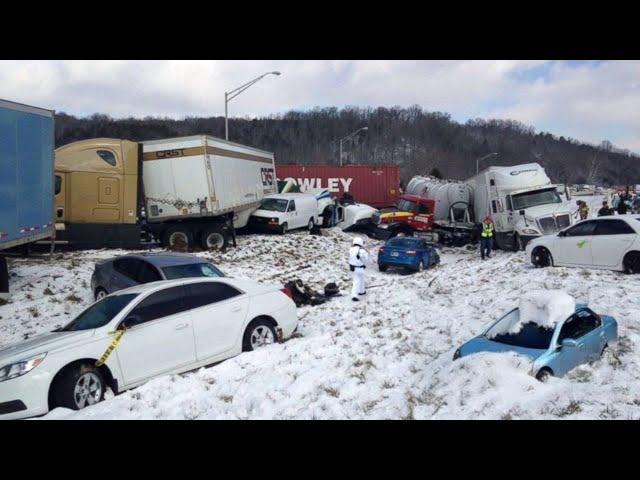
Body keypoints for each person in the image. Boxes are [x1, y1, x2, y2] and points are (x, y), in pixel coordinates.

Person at [349, 236, 369, 301]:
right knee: (359, 280)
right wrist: (365, 265)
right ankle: (355, 295)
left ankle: (361, 291)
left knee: (358, 280)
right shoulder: (362, 251)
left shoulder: (351, 249)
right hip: (360, 267)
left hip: (353, 267)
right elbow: (365, 260)